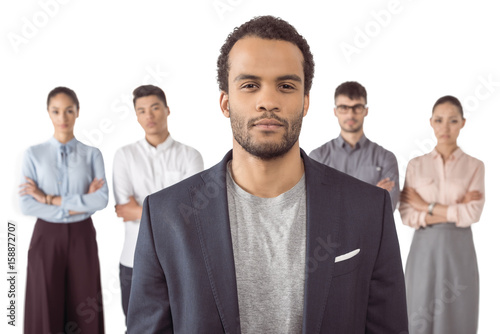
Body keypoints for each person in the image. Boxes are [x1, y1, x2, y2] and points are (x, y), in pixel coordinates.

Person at [127, 16, 408, 333]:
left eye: (286, 86)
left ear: (305, 102)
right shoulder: (165, 214)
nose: (268, 101)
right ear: (225, 102)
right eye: (249, 85)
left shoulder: (368, 208)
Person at [112, 84, 204, 326]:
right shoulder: (124, 156)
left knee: (185, 326)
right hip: (133, 261)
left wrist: (139, 210)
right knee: (137, 328)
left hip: (181, 262)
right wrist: (172, 211)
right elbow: (124, 208)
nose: (149, 115)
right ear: (136, 116)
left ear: (167, 110)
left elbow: (193, 212)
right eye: (141, 110)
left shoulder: (190, 156)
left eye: (154, 108)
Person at [19, 87, 108, 334]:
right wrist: (78, 205)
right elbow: (26, 203)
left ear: (77, 112)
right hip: (46, 236)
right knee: (45, 301)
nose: (63, 117)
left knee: (85, 300)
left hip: (82, 235)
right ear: (48, 113)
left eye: (69, 110)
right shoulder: (33, 154)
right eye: (56, 111)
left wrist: (49, 199)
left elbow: (100, 200)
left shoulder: (92, 154)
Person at [400, 95, 485, 333]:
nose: (445, 127)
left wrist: (426, 207)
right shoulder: (416, 165)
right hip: (424, 251)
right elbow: (406, 214)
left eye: (452, 121)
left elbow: (473, 213)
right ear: (431, 122)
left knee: (459, 315)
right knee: (418, 312)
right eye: (439, 120)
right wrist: (455, 210)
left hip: (459, 251)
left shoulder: (475, 166)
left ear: (463, 123)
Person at [310, 81, 400, 211]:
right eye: (344, 107)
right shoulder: (317, 157)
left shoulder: (386, 158)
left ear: (366, 111)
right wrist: (372, 194)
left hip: (370, 232)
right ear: (335, 111)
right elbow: (316, 206)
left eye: (357, 107)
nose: (350, 114)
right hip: (330, 232)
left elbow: (387, 208)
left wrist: (336, 199)